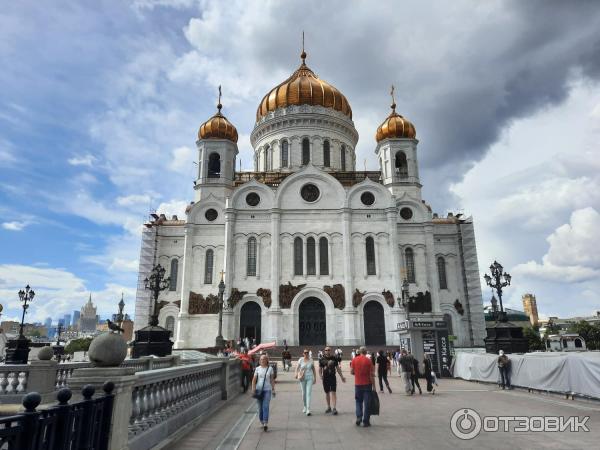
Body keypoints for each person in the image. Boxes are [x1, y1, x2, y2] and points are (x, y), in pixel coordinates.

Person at [350, 346, 376, 427]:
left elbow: (351, 372)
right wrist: (374, 386)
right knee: (367, 403)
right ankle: (366, 421)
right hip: (367, 384)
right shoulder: (368, 361)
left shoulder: (354, 360)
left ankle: (359, 417)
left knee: (358, 401)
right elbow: (371, 375)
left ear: (359, 352)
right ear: (365, 352)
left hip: (358, 384)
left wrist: (357, 374)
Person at [319, 346, 346, 415]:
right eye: (326, 350)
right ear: (324, 351)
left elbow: (337, 368)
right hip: (325, 378)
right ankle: (329, 407)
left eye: (328, 350)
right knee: (327, 392)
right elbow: (320, 369)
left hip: (332, 377)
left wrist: (342, 377)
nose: (327, 351)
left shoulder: (334, 358)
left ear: (330, 351)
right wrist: (320, 376)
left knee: (333, 392)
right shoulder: (322, 359)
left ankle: (334, 408)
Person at [252, 354, 275, 431]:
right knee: (260, 408)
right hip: (259, 390)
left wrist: (273, 389)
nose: (262, 360)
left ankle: (265, 422)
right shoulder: (257, 369)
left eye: (264, 359)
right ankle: (261, 420)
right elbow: (254, 380)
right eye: (261, 359)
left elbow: (272, 379)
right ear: (259, 361)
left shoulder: (270, 368)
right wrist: (253, 389)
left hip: (267, 390)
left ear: (266, 360)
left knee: (266, 406)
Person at [295, 348, 317, 415]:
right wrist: (296, 373)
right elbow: (297, 367)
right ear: (303, 353)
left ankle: (308, 409)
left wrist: (315, 378)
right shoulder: (300, 360)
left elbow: (313, 369)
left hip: (309, 377)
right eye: (305, 352)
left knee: (308, 393)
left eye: (307, 352)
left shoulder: (311, 360)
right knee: (304, 393)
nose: (306, 354)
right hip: (302, 378)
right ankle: (304, 406)